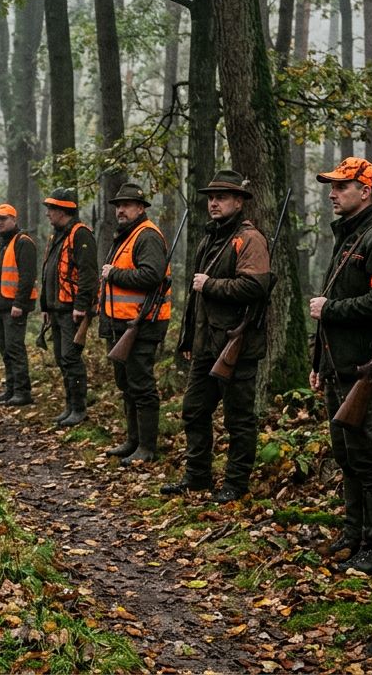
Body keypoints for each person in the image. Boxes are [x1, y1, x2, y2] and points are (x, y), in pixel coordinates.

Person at [306, 158, 372, 572]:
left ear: (365, 191)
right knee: (346, 455)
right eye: (332, 186)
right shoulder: (350, 235)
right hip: (339, 366)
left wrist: (333, 309)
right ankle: (353, 533)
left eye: (341, 186)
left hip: (364, 367)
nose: (332, 193)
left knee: (368, 458)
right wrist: (319, 361)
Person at [162, 170, 271, 501]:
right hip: (207, 345)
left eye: (221, 197)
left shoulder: (249, 239)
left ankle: (236, 484)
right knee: (194, 410)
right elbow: (197, 301)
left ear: (238, 202)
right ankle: (197, 478)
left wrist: (211, 285)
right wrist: (187, 341)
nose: (213, 203)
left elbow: (256, 286)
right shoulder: (211, 238)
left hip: (237, 346)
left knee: (239, 419)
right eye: (210, 198)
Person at [98, 183, 171, 465]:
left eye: (126, 205)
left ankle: (147, 447)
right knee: (126, 383)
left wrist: (114, 274)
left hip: (142, 323)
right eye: (118, 205)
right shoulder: (127, 236)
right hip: (124, 323)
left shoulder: (147, 236)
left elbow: (151, 275)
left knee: (141, 385)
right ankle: (133, 441)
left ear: (140, 208)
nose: (120, 210)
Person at [39, 187, 97, 427]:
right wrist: (46, 306)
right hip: (57, 309)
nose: (48, 213)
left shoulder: (80, 234)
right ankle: (69, 406)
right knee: (62, 359)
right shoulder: (57, 235)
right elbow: (48, 272)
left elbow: (88, 273)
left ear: (63, 210)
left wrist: (81, 306)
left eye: (51, 208)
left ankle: (79, 408)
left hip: (72, 310)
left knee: (71, 359)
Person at [0, 203, 38, 406]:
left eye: (3, 219)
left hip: (13, 308)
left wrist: (19, 304)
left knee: (15, 349)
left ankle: (23, 392)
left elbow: (27, 277)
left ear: (14, 219)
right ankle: (11, 389)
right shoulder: (0, 244)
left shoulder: (23, 242)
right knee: (5, 350)